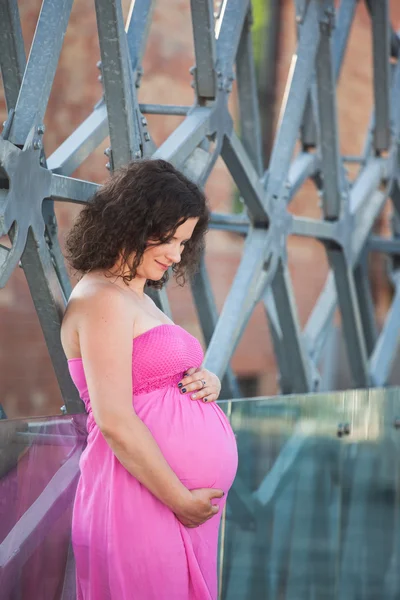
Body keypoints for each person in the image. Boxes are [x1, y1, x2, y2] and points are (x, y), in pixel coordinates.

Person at [60, 159, 238, 600]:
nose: (178, 254)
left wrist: (204, 382)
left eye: (184, 242)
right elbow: (115, 418)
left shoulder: (133, 295)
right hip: (140, 501)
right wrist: (179, 499)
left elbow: (153, 374)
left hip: (173, 506)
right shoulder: (102, 297)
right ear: (135, 222)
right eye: (171, 238)